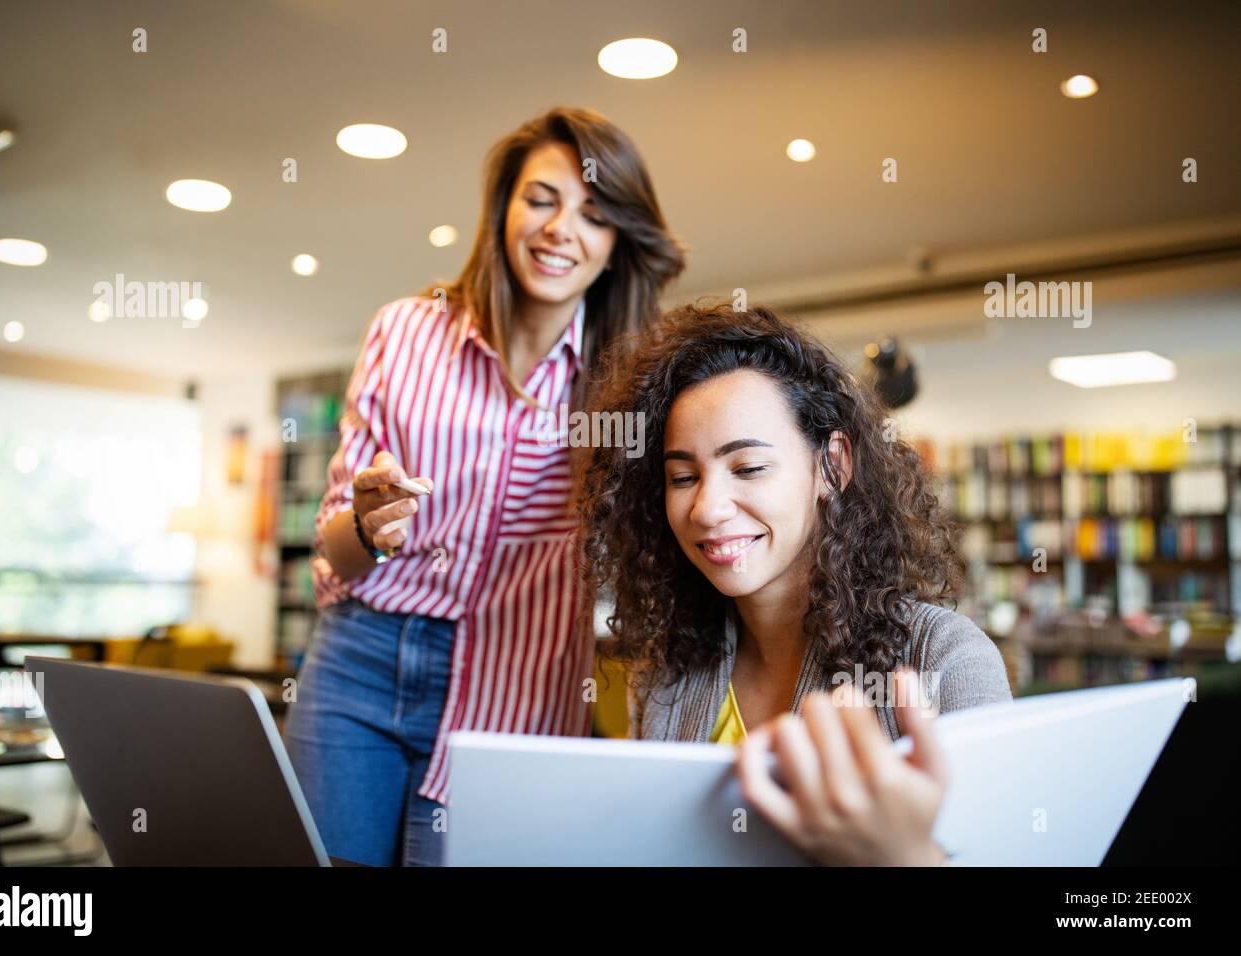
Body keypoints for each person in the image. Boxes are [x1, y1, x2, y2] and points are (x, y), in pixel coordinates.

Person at [285, 106, 685, 866]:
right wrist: (368, 526)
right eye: (542, 199)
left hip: (519, 682)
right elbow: (337, 552)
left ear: (616, 245)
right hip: (359, 658)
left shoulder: (626, 386)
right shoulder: (404, 331)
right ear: (503, 205)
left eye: (595, 215)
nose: (561, 228)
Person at [577, 301, 1012, 865]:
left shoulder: (944, 659)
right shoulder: (668, 673)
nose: (707, 508)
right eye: (683, 477)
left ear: (832, 467)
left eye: (749, 468)